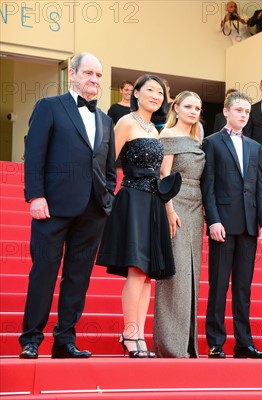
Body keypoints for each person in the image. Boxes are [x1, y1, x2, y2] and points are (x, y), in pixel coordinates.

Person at [19, 52, 116, 360]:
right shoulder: (50, 107)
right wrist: (36, 196)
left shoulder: (105, 120)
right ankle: (31, 339)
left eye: (99, 75)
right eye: (89, 73)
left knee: (78, 277)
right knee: (44, 272)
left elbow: (108, 167)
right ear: (72, 74)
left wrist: (107, 198)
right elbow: (34, 154)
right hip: (53, 206)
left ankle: (65, 340)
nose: (94, 80)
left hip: (93, 210)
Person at [96, 75, 175, 358]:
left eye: (160, 93)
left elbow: (162, 172)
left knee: (147, 275)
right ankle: (130, 335)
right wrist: (106, 197)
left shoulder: (154, 129)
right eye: (150, 90)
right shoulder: (126, 122)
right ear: (137, 93)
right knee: (136, 269)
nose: (156, 96)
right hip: (132, 198)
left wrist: (168, 209)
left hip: (153, 201)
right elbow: (106, 162)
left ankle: (139, 334)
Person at [200, 91, 262, 359]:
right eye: (238, 110)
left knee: (243, 288)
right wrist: (213, 220)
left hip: (249, 226)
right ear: (227, 112)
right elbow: (208, 185)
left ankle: (244, 343)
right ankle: (216, 342)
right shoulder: (212, 142)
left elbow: (258, 191)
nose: (243, 115)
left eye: (246, 111)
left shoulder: (255, 147)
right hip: (223, 224)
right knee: (218, 285)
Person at [153, 91, 205, 358]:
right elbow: (163, 175)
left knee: (192, 275)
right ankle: (170, 345)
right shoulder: (168, 135)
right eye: (188, 106)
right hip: (176, 204)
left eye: (197, 107)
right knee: (176, 276)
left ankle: (186, 344)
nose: (193, 111)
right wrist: (169, 210)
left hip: (197, 208)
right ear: (176, 107)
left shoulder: (198, 139)